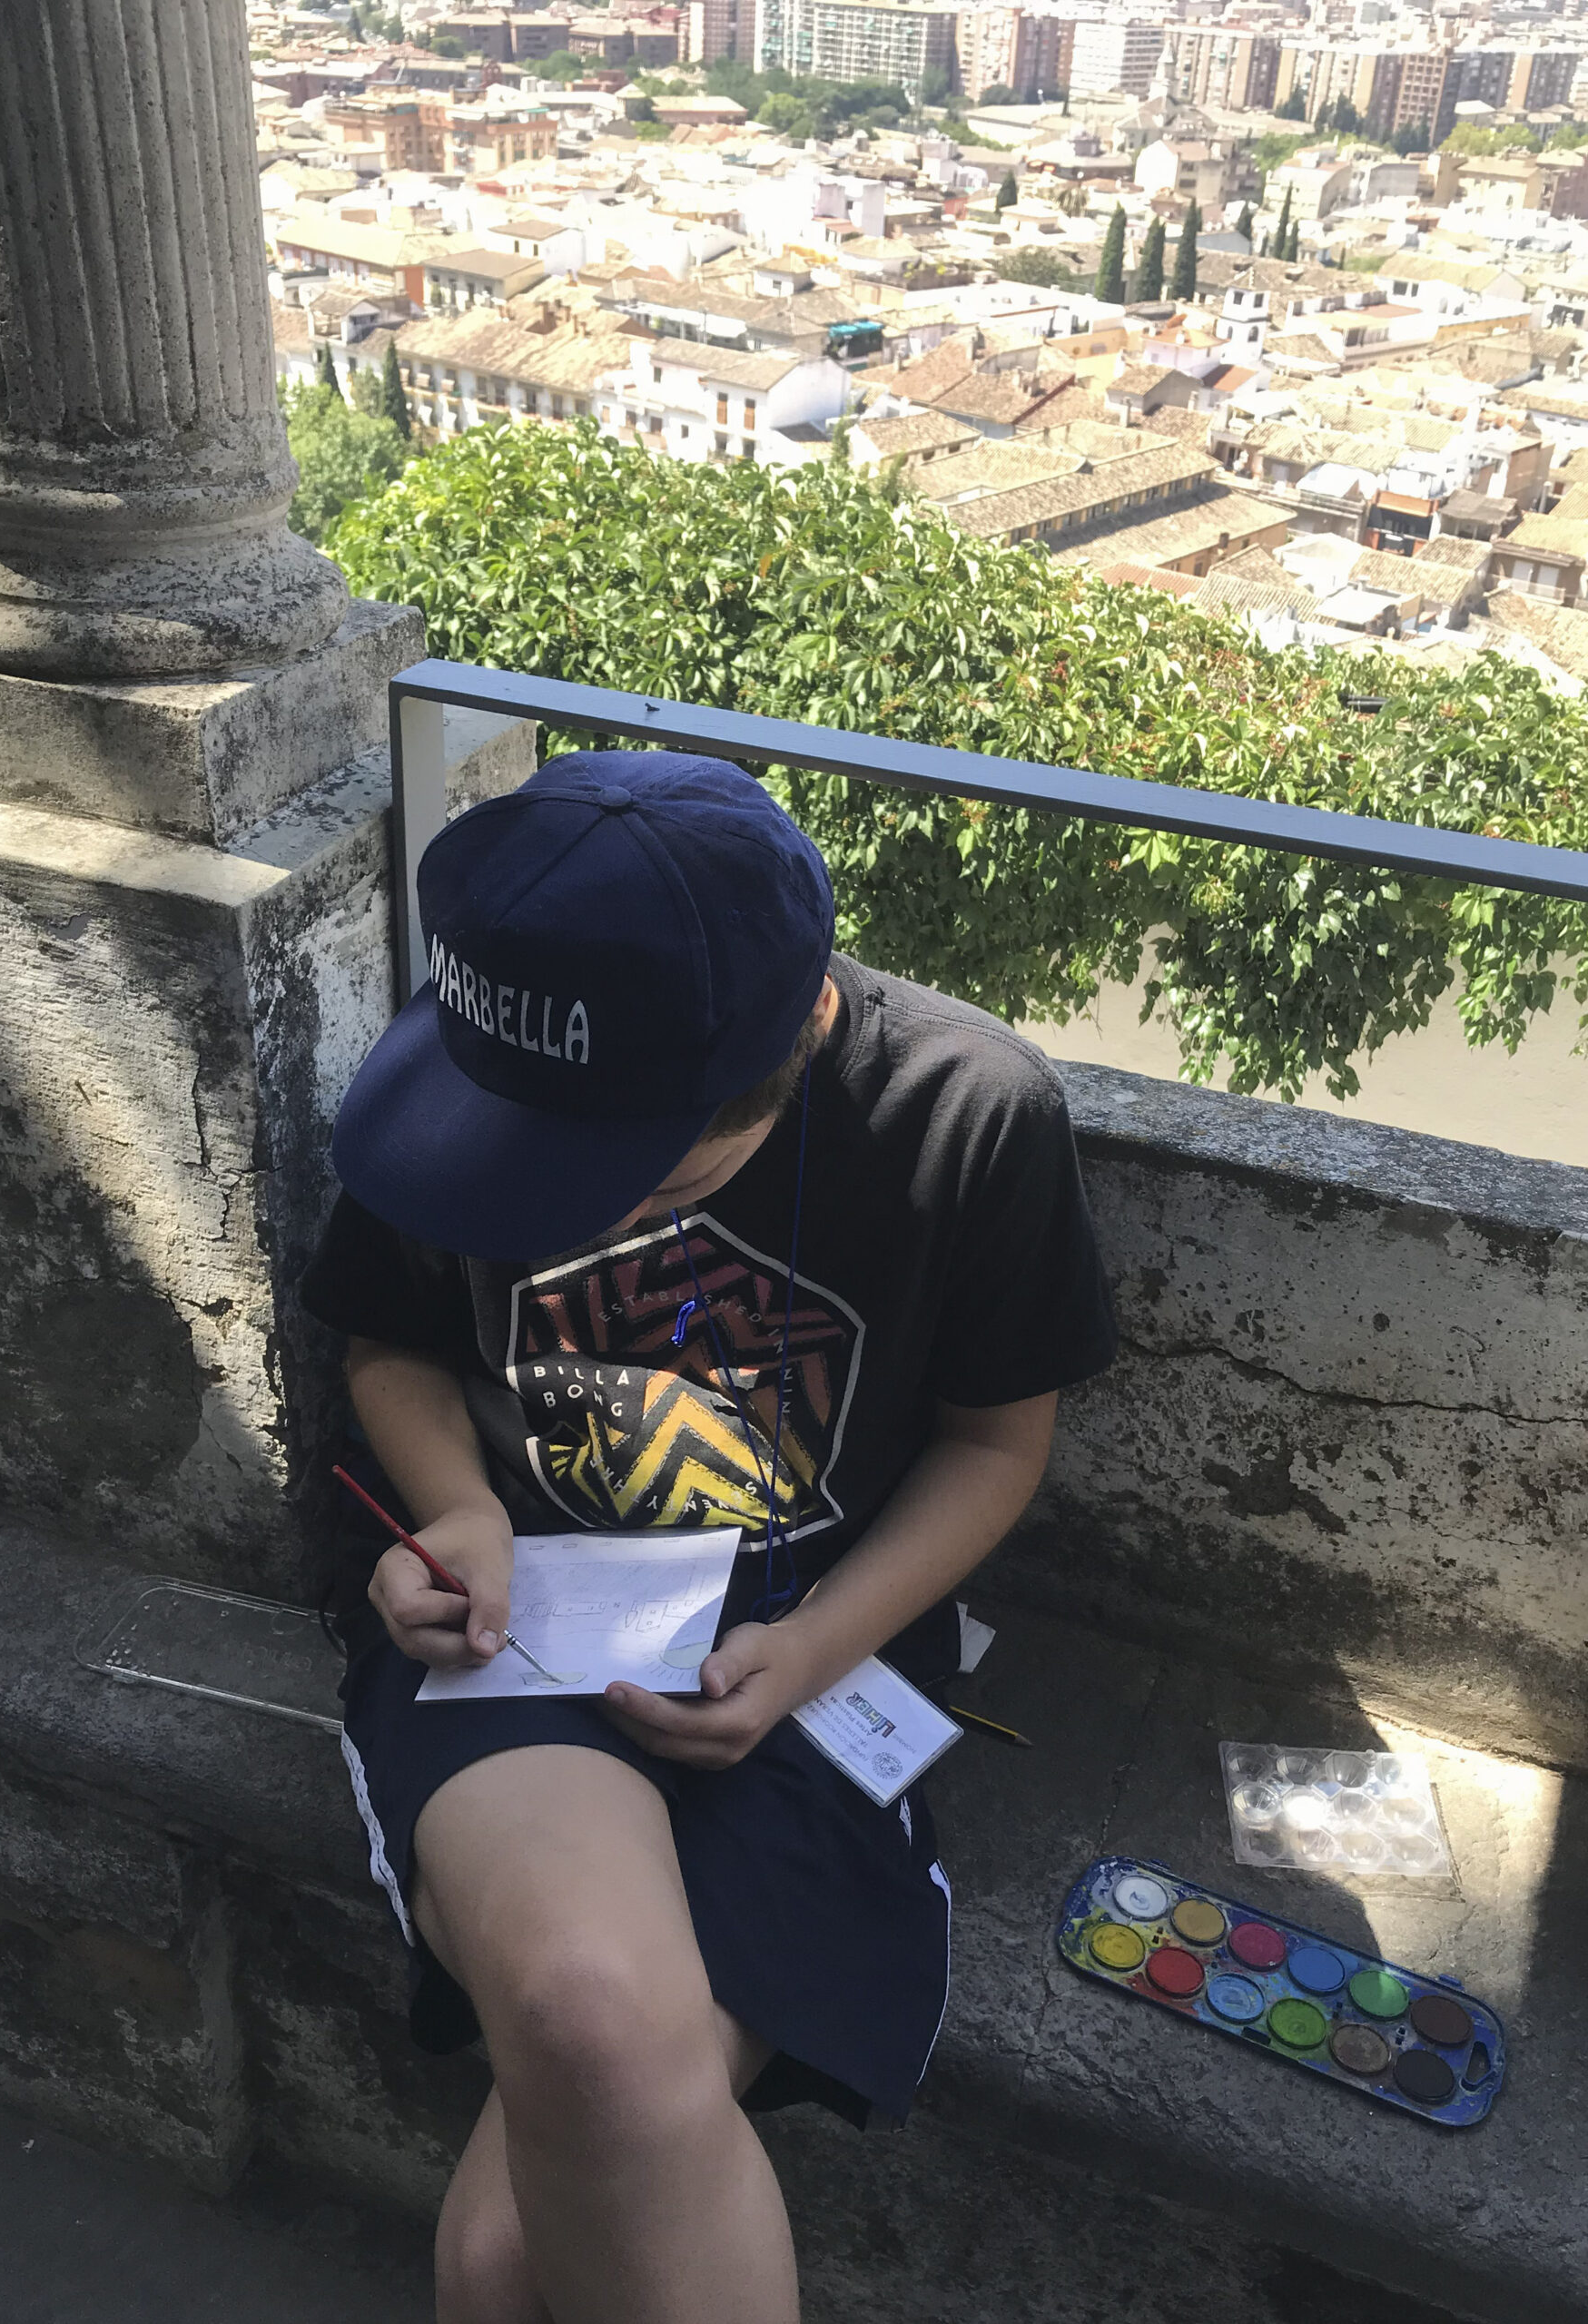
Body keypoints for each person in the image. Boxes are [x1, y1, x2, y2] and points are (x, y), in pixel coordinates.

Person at [301, 750, 1117, 2324]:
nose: (587, 1214)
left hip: (816, 1635)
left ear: (805, 1028)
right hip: (518, 1619)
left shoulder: (963, 1114)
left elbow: (995, 1443)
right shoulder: (496, 1052)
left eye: (644, 1180)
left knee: (499, 2261)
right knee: (588, 2017)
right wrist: (460, 1508)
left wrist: (810, 1650)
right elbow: (387, 1340)